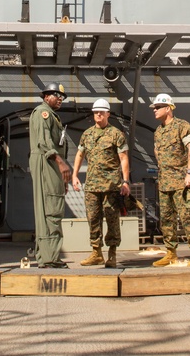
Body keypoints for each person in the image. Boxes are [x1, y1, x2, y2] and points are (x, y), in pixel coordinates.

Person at [71, 98, 131, 268]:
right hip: (91, 185)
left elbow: (124, 158)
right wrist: (75, 175)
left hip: (111, 186)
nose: (98, 114)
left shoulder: (116, 134)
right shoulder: (87, 134)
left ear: (108, 114)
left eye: (101, 112)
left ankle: (112, 254)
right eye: (96, 111)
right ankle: (96, 253)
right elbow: (80, 155)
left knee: (112, 219)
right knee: (93, 219)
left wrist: (125, 181)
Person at [150, 93, 190, 267]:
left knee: (187, 216)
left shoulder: (182, 126)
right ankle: (171, 253)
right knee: (166, 219)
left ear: (168, 108)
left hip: (181, 181)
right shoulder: (158, 131)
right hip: (165, 182)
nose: (155, 110)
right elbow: (157, 152)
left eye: (158, 107)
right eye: (154, 108)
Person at [29, 82, 72, 268]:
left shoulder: (51, 115)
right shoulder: (42, 113)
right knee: (51, 208)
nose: (60, 98)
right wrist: (61, 163)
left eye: (61, 96)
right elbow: (44, 142)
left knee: (51, 205)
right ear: (46, 96)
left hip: (49, 163)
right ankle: (49, 257)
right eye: (56, 94)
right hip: (47, 161)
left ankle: (46, 255)